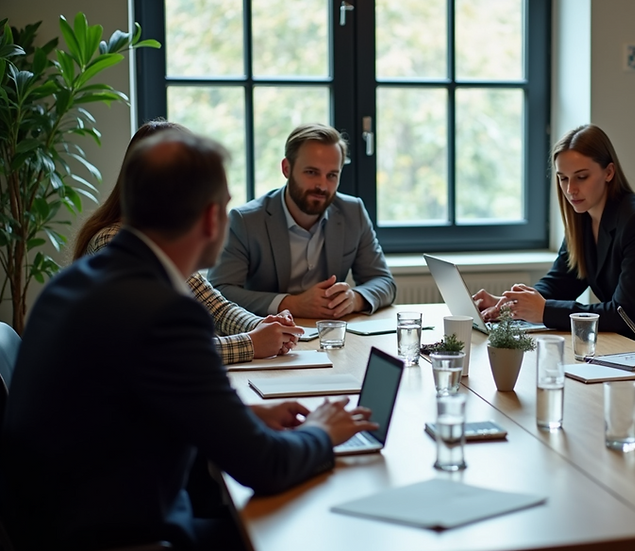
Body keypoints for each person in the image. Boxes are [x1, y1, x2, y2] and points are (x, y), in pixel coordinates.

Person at [0, 131, 378, 550]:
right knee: (318, 533)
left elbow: (129, 403)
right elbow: (266, 466)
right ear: (212, 219)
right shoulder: (162, 311)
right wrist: (323, 432)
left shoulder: (83, 278)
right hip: (125, 537)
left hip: (58, 527)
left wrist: (244, 416)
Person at [73, 119, 302, 364]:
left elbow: (216, 308)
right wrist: (251, 343)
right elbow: (156, 351)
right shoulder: (116, 244)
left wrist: (262, 326)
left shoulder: (160, 245)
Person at [472, 124, 635, 338]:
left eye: (581, 177)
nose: (570, 190)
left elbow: (623, 314)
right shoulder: (583, 219)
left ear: (609, 172)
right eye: (563, 178)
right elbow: (559, 283)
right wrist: (509, 303)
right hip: (624, 346)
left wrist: (544, 311)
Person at [208, 122, 396, 318]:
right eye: (312, 172)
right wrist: (292, 304)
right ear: (286, 168)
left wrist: (354, 299)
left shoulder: (352, 212)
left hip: (330, 336)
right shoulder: (245, 220)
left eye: (332, 175)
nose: (322, 186)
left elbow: (384, 281)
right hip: (266, 335)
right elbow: (219, 292)